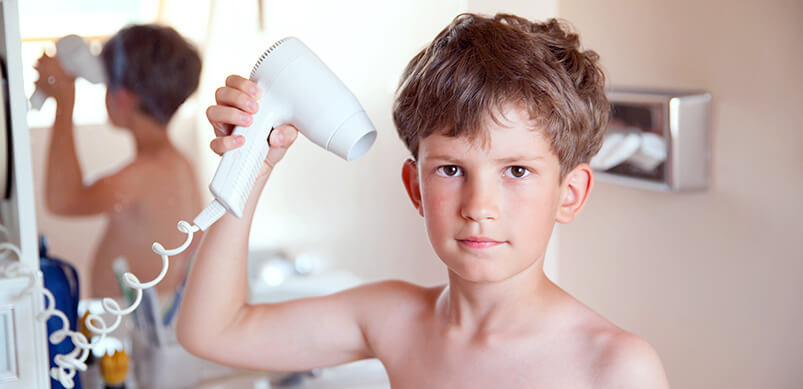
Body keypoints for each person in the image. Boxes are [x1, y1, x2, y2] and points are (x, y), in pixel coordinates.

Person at [177, 13, 670, 387]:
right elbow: (214, 331)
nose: (479, 206)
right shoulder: (393, 318)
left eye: (517, 171)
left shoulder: (614, 368)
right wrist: (253, 164)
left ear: (570, 194)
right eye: (451, 170)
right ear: (416, 187)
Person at [36, 24, 203, 298]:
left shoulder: (146, 172)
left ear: (124, 97)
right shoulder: (178, 163)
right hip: (141, 323)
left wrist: (65, 103)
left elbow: (62, 199)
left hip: (128, 327)